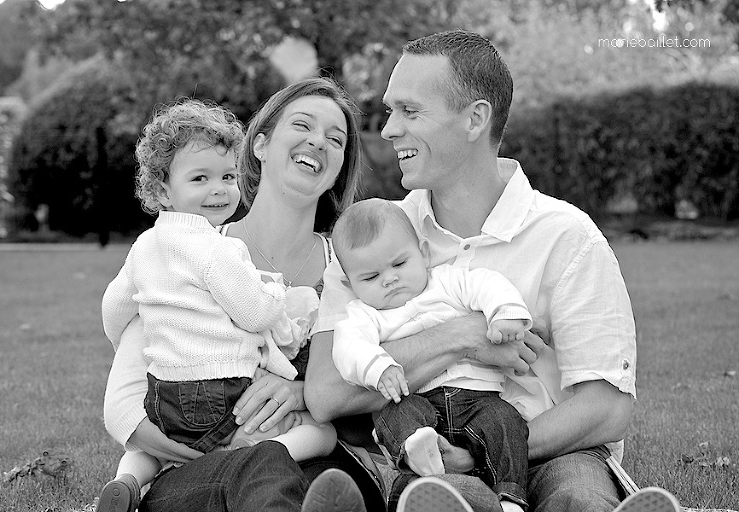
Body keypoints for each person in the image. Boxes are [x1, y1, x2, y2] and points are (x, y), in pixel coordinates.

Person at [305, 29, 681, 512]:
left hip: (553, 446)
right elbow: (326, 394)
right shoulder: (374, 241)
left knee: (575, 496)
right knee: (446, 497)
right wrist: (460, 336)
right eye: (390, 110)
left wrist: (482, 452)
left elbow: (607, 408)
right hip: (430, 455)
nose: (388, 129)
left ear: (475, 119)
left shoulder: (566, 237)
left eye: (409, 111)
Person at [102, 77, 385, 512]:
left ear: (339, 167)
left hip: (308, 460)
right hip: (198, 470)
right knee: (260, 473)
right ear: (260, 146)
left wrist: (302, 392)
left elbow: (374, 387)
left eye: (336, 139)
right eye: (303, 125)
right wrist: (208, 449)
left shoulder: (348, 272)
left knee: (321, 482)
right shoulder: (188, 253)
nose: (318, 142)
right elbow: (124, 406)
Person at [330, 198, 532, 512]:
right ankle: (416, 453)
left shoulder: (448, 282)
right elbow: (348, 347)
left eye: (399, 264)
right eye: (370, 277)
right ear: (350, 284)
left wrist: (504, 313)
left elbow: (487, 284)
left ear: (424, 255)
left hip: (478, 399)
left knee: (506, 422)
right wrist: (379, 367)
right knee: (395, 414)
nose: (390, 279)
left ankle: (510, 499)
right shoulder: (364, 315)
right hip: (419, 402)